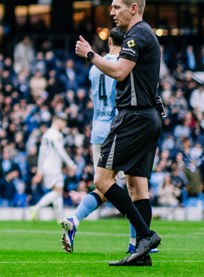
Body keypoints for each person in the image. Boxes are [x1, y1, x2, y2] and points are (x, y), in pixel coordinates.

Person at [74, 0, 164, 267]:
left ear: (133, 9)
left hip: (133, 117)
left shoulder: (136, 35)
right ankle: (141, 253)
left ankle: (145, 236)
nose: (111, 12)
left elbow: (119, 71)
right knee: (137, 187)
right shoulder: (145, 34)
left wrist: (90, 55)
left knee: (101, 180)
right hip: (147, 116)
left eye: (116, 7)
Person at [62, 28, 147, 254]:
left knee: (103, 185)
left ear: (109, 40)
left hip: (97, 131)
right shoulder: (122, 66)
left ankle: (75, 219)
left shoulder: (94, 68)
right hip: (117, 129)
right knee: (131, 187)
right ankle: (135, 242)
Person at [29, 117, 75, 223]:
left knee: (57, 190)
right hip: (53, 167)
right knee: (57, 192)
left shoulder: (46, 135)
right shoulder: (56, 134)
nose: (64, 126)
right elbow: (60, 149)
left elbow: (41, 154)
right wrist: (70, 163)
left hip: (47, 167)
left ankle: (60, 217)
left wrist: (39, 171)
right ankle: (36, 208)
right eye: (64, 123)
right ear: (59, 121)